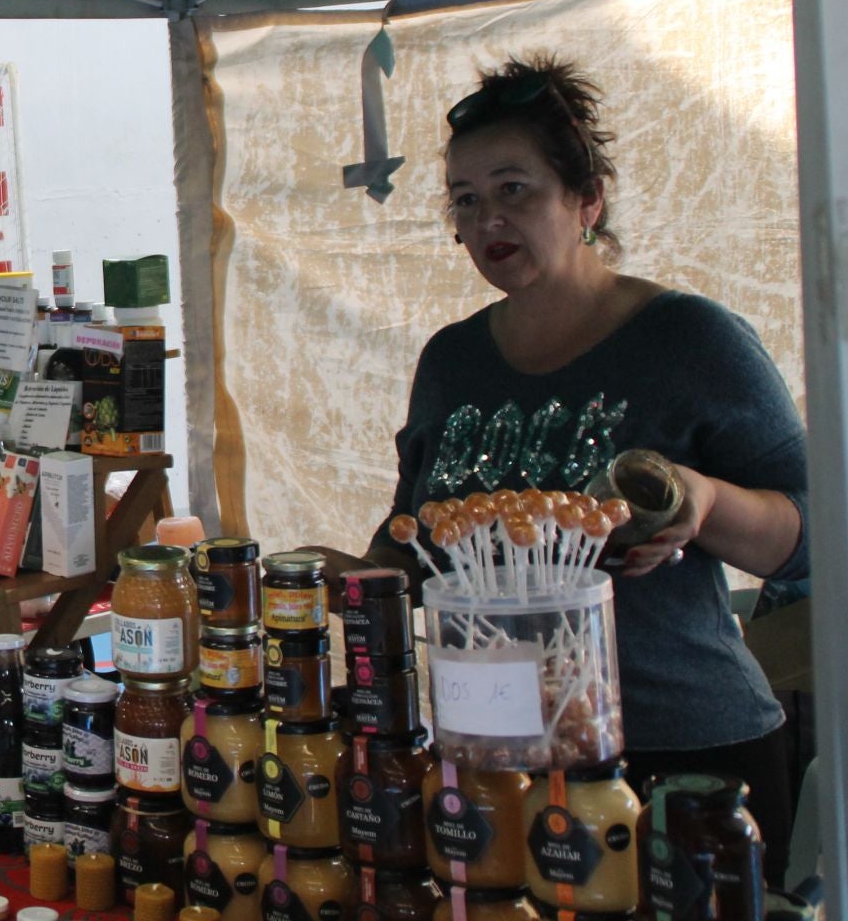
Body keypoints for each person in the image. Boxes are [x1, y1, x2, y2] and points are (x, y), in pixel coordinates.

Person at [346, 55, 808, 875]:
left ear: (586, 199)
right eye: (465, 198)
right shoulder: (450, 362)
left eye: (514, 187)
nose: (488, 217)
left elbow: (814, 538)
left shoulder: (690, 340)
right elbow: (412, 542)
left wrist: (702, 498)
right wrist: (340, 582)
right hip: (499, 756)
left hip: (683, 755)